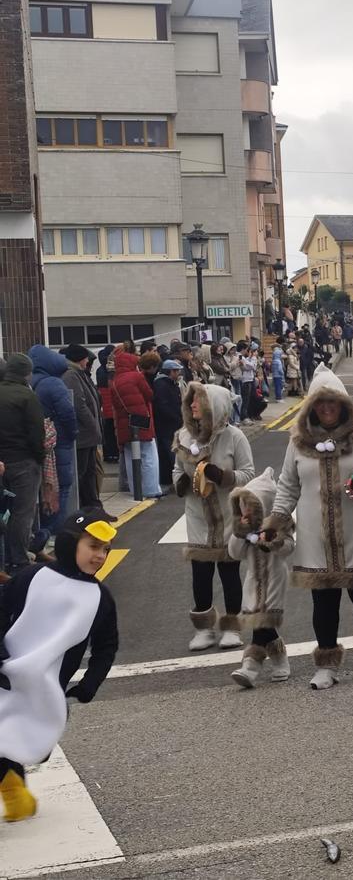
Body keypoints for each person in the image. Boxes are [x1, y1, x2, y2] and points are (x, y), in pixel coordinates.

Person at [262, 365, 353, 689]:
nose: (326, 409)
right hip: (315, 535)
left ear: (343, 404)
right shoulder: (297, 442)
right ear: (311, 408)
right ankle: (326, 664)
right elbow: (287, 486)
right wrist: (278, 521)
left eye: (332, 403)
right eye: (320, 404)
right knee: (323, 602)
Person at [0, 508, 120, 822]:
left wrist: (90, 683)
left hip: (47, 691)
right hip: (6, 674)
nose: (100, 556)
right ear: (70, 543)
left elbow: (106, 646)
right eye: (93, 546)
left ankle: (14, 788)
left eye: (105, 549)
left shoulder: (100, 598)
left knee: (30, 746)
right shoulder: (33, 575)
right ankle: (14, 792)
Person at [172, 382, 254, 651]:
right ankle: (204, 629)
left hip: (228, 515)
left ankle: (232, 627)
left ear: (214, 407)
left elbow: (248, 473)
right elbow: (175, 471)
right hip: (197, 515)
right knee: (201, 572)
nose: (193, 404)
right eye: (191, 400)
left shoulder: (234, 437)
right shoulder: (183, 437)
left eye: (199, 400)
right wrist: (185, 482)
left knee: (229, 571)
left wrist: (222, 476)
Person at [227, 467, 292, 687]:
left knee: (262, 621)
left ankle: (250, 666)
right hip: (253, 578)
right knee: (260, 620)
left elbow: (289, 547)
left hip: (275, 576)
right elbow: (234, 553)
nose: (246, 511)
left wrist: (273, 542)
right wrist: (240, 533)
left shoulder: (278, 523)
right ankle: (279, 657)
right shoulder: (244, 527)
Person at [0, 355, 45, 573]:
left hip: (2, 463)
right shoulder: (27, 396)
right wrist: (40, 457)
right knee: (22, 512)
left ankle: (6, 557)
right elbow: (37, 433)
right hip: (23, 461)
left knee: (4, 512)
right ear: (27, 373)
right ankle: (19, 558)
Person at [29, 345, 77, 535]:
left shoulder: (31, 382)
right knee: (61, 486)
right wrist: (73, 433)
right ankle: (56, 530)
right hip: (59, 441)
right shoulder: (54, 384)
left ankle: (43, 530)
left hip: (37, 444)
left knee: (43, 488)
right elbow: (67, 412)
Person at [111, 347, 160, 499]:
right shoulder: (137, 376)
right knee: (149, 456)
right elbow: (149, 395)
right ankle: (151, 489)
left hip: (124, 424)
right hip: (141, 422)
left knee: (130, 457)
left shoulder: (114, 382)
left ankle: (135, 489)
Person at [61, 345, 102, 509]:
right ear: (79, 358)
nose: (88, 361)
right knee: (83, 473)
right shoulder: (71, 375)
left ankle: (93, 506)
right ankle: (87, 507)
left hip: (88, 435)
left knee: (90, 472)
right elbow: (79, 404)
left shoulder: (78, 373)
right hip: (84, 435)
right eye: (86, 358)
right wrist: (94, 426)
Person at [152, 359, 185, 488]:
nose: (178, 374)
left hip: (171, 423)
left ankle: (168, 480)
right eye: (176, 371)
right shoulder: (161, 385)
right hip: (166, 425)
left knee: (169, 453)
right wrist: (176, 417)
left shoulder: (169, 383)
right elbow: (163, 405)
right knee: (171, 453)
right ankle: (176, 479)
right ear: (171, 371)